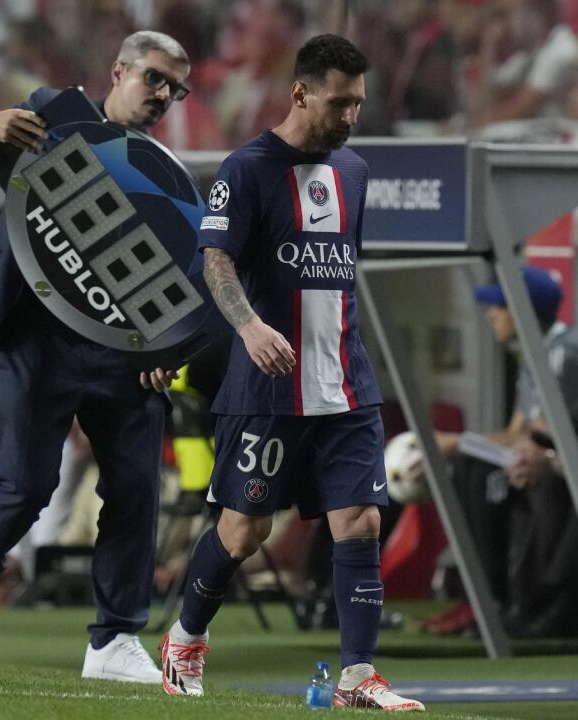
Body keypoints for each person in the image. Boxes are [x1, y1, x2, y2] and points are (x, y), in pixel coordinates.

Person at [161, 35, 424, 711]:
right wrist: (249, 326)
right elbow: (216, 260)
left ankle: (359, 678)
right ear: (301, 92)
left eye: (358, 105)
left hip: (346, 384)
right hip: (268, 388)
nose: (350, 117)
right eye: (339, 103)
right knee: (246, 531)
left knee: (360, 520)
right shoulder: (245, 169)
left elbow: (340, 274)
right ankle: (186, 638)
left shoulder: (356, 172)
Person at [0, 30, 190, 683]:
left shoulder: (163, 174)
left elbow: (186, 277)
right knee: (26, 483)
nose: (165, 96)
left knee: (135, 487)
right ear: (119, 70)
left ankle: (113, 640)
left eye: (176, 89)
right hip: (36, 335)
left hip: (121, 350)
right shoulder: (55, 117)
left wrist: (169, 349)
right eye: (156, 79)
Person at [432, 266, 578, 638]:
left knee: (481, 469)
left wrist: (459, 440)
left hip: (558, 462)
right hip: (544, 458)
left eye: (500, 306)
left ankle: (506, 596)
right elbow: (518, 431)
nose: (490, 314)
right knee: (468, 463)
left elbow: (544, 432)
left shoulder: (564, 352)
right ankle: (484, 595)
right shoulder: (531, 356)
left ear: (525, 310)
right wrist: (460, 444)